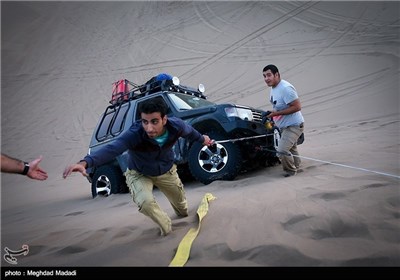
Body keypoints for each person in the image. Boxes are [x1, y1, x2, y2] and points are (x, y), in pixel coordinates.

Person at [63, 97, 214, 236]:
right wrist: (84, 163)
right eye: (145, 122)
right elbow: (113, 148)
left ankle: (180, 213)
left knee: (182, 209)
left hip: (166, 171)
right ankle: (167, 230)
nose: (149, 128)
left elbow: (192, 133)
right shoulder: (135, 133)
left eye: (154, 121)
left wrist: (203, 140)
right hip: (138, 173)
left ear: (164, 119)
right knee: (145, 203)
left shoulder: (177, 126)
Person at [262, 64, 305, 177]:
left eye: (269, 75)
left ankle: (290, 171)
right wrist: (271, 114)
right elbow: (280, 106)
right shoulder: (273, 88)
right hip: (284, 126)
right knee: (291, 148)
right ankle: (297, 166)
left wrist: (275, 113)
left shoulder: (286, 88)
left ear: (277, 75)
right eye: (264, 76)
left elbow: (297, 107)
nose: (266, 79)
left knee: (281, 150)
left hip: (294, 125)